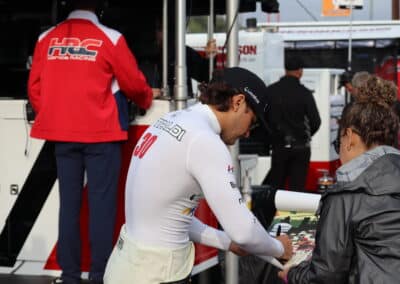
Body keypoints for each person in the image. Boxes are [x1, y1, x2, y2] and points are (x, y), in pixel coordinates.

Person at [104, 67, 293, 284]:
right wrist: (279, 247)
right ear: (238, 102)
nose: (248, 132)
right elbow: (244, 231)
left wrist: (227, 242)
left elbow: (171, 218)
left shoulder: (173, 120)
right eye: (253, 121)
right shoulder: (205, 141)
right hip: (156, 274)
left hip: (126, 266)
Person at [27, 0, 156, 283]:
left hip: (62, 136)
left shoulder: (45, 38)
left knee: (68, 208)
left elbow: (34, 88)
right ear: (99, 6)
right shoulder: (110, 38)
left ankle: (70, 276)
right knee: (102, 208)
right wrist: (148, 98)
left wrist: (54, 113)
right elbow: (134, 83)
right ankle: (100, 275)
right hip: (102, 134)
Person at [278, 75, 400, 284]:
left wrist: (292, 273)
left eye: (339, 141)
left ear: (350, 137)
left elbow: (326, 276)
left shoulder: (347, 196)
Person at [262, 55, 321, 191]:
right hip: (301, 147)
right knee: (297, 188)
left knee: (276, 186)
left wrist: (272, 138)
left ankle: (272, 212)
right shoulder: (304, 93)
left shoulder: (271, 91)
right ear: (300, 71)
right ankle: (294, 212)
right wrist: (305, 135)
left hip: (279, 146)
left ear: (285, 70)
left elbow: (263, 119)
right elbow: (316, 121)